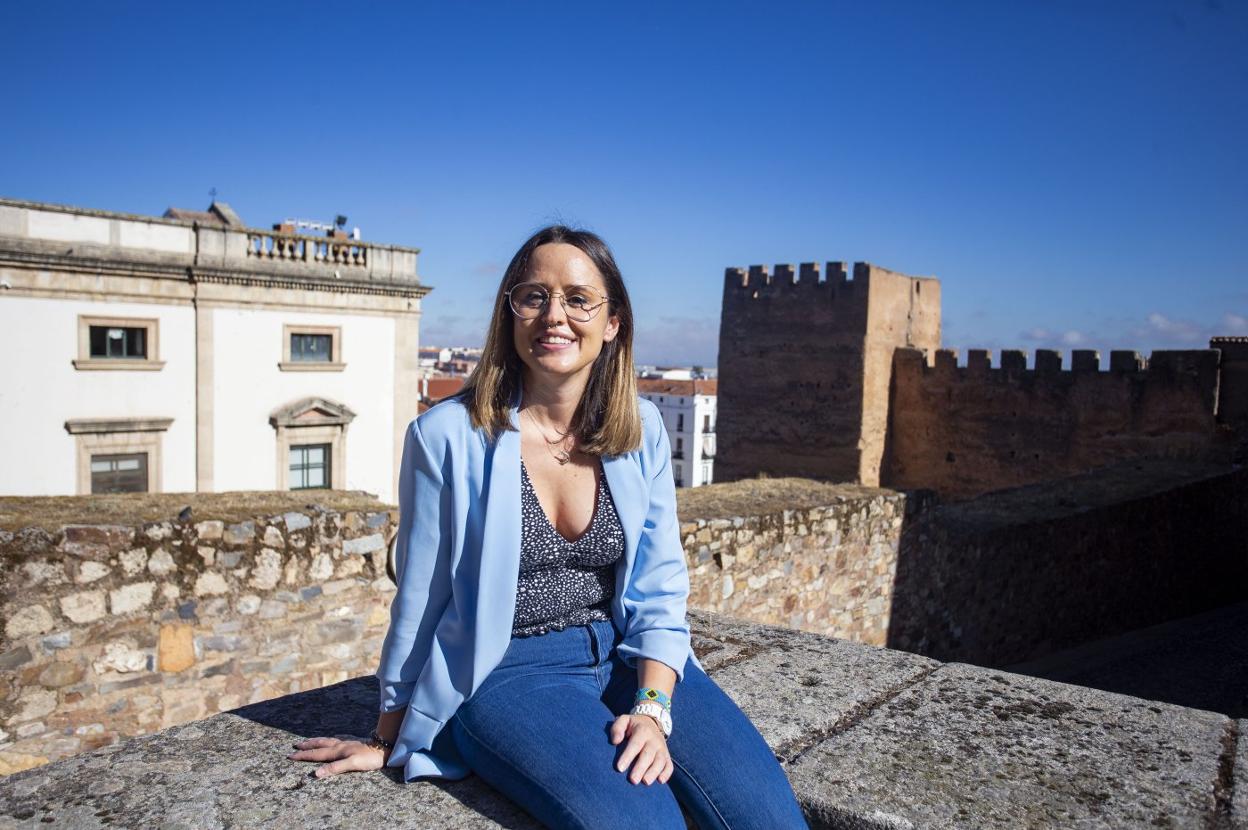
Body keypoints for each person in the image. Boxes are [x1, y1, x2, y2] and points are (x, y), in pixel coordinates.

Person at [288, 226, 807, 829]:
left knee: (766, 818)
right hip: (509, 671)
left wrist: (653, 704)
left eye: (578, 298)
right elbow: (422, 597)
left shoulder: (641, 427)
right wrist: (388, 734)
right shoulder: (447, 437)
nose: (554, 315)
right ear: (510, 313)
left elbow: (660, 582)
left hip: (625, 652)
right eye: (533, 296)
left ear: (612, 322)